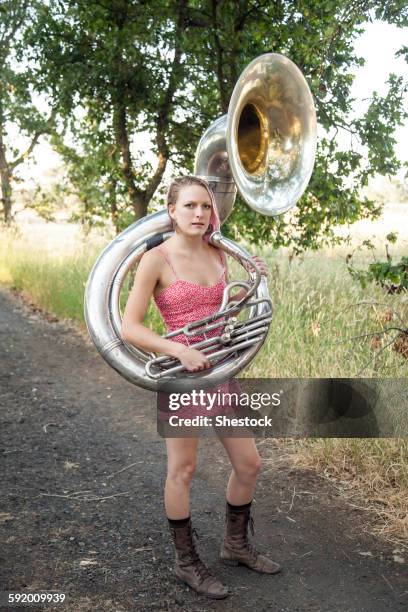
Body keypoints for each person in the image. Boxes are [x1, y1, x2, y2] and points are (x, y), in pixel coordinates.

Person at [121, 176, 281, 600]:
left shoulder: (220, 254)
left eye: (206, 207)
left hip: (220, 371)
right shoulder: (155, 259)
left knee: (250, 465)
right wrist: (178, 349)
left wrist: (251, 286)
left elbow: (223, 308)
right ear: (171, 210)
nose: (199, 214)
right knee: (184, 470)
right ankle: (186, 562)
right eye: (190, 206)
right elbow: (129, 327)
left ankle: (235, 545)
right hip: (180, 376)